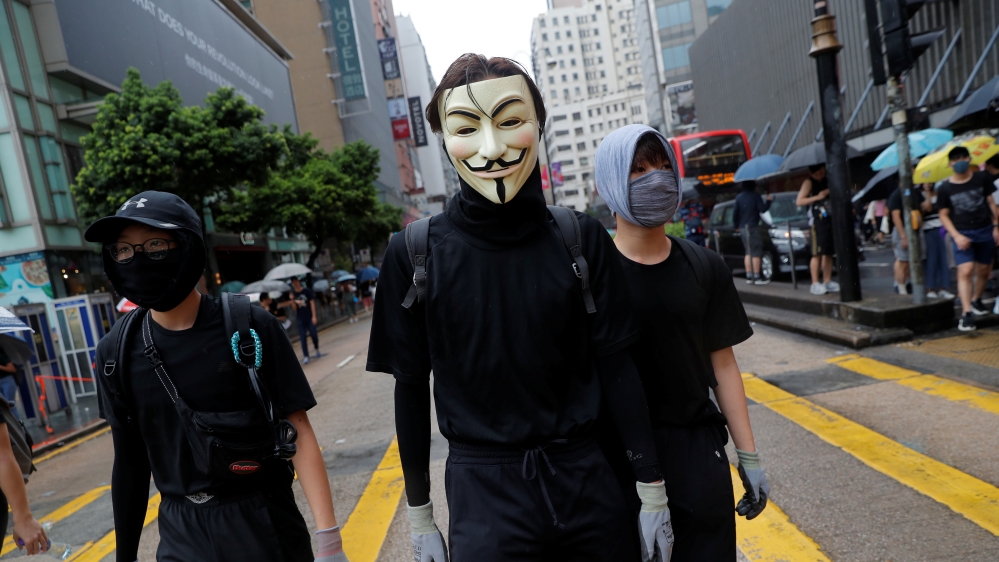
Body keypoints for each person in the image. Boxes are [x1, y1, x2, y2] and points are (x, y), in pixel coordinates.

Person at [367, 54, 673, 562]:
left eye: (510, 122)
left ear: (538, 124)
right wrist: (420, 517)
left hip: (586, 482)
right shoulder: (414, 253)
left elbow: (619, 368)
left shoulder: (580, 239)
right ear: (443, 138)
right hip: (482, 492)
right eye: (466, 128)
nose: (492, 147)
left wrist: (650, 488)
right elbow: (410, 388)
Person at [84, 191, 347, 562]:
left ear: (188, 246)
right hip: (180, 532)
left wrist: (330, 542)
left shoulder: (250, 327)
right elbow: (129, 462)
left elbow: (298, 427)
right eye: (124, 250)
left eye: (156, 245)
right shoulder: (116, 352)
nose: (137, 260)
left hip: (263, 521)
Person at [596, 125, 769, 561]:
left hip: (698, 454)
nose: (656, 178)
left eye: (661, 167)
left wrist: (747, 455)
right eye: (638, 169)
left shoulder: (704, 266)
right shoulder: (592, 278)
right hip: (619, 459)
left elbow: (723, 366)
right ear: (610, 182)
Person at [937, 147, 999, 331]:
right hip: (962, 233)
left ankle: (976, 300)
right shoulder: (945, 188)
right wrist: (956, 235)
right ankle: (966, 314)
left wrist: (996, 226)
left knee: (983, 270)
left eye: (963, 157)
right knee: (965, 271)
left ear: (969, 158)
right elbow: (943, 214)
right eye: (956, 159)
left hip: (985, 230)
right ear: (950, 164)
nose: (960, 161)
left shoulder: (982, 178)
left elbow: (991, 203)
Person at [796, 164, 840, 295]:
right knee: (817, 253)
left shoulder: (828, 180)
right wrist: (818, 196)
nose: (819, 176)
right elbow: (799, 201)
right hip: (817, 221)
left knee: (828, 252)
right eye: (816, 174)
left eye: (821, 173)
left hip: (829, 218)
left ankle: (827, 280)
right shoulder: (809, 182)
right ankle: (815, 283)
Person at [732, 180, 774, 285]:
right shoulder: (755, 196)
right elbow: (762, 209)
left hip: (742, 227)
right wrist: (769, 201)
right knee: (756, 251)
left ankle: (749, 275)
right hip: (753, 226)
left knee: (748, 251)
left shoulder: (739, 197)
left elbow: (735, 213)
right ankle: (757, 276)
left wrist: (736, 225)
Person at [887, 185, 924, 295]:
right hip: (902, 230)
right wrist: (903, 236)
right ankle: (901, 288)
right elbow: (896, 216)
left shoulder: (916, 193)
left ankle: (909, 285)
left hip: (915, 229)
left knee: (913, 260)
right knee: (903, 261)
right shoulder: (896, 195)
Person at [920, 183, 954, 300]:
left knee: (944, 259)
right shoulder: (921, 196)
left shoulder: (941, 194)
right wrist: (928, 194)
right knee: (931, 260)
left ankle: (943, 288)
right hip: (928, 230)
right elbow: (927, 208)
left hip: (942, 229)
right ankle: (930, 288)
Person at [289, 277, 320, 363]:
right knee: (303, 338)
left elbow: (312, 303)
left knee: (314, 334)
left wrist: (314, 316)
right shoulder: (293, 294)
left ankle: (316, 348)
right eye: (293, 282)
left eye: (296, 281)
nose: (295, 283)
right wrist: (292, 300)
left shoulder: (307, 291)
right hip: (300, 319)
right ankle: (306, 356)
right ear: (292, 284)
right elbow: (295, 308)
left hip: (309, 317)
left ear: (298, 282)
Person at [0, 348, 18, 413]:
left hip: (7, 381)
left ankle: (17, 422)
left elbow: (13, 369)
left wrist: (0, 367)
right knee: (3, 406)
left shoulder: (2, 356)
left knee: (10, 404)